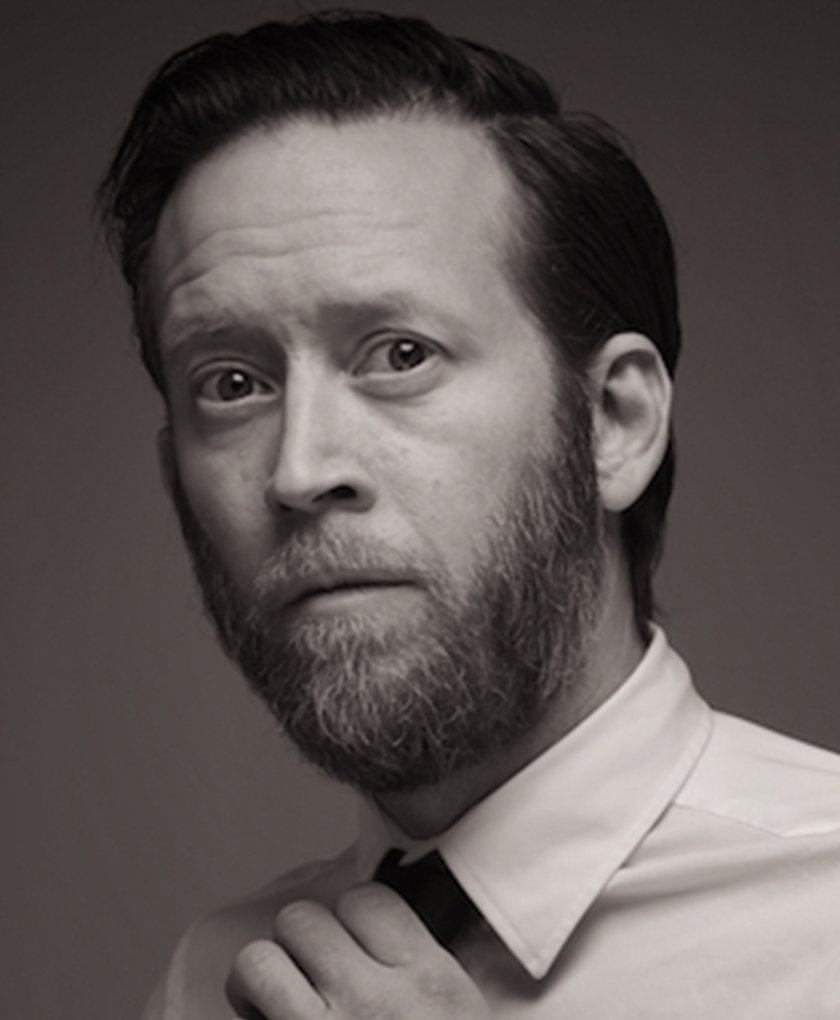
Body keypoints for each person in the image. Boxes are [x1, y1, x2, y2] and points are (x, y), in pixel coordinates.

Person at [97, 10, 840, 1019]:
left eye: (401, 355)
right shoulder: (204, 982)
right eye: (231, 384)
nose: (299, 470)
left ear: (613, 422)